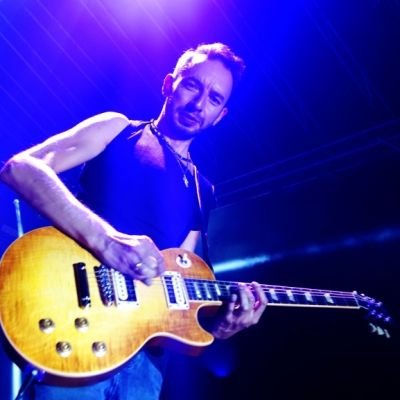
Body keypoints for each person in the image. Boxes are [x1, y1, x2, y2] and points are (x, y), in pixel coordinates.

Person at [0, 42, 268, 399]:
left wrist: (218, 325)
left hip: (145, 360)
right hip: (79, 323)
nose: (199, 104)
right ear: (169, 84)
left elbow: (178, 284)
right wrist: (107, 241)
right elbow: (21, 168)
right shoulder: (118, 130)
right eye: (193, 85)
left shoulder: (203, 190)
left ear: (220, 115)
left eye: (214, 98)